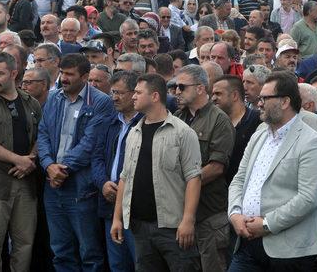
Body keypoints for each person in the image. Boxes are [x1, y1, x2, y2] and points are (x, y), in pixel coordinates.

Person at [227, 71, 317, 270]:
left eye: (265, 98)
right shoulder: (259, 136)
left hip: (289, 251)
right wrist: (235, 214)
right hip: (247, 243)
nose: (259, 103)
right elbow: (239, 179)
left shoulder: (311, 141)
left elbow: (309, 198)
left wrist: (266, 224)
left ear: (285, 102)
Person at [110, 73, 202, 271]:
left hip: (172, 226)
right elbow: (125, 178)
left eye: (138, 92)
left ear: (154, 96)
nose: (133, 96)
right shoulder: (134, 133)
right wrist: (117, 218)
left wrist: (188, 220)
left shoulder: (183, 132)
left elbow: (194, 178)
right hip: (140, 226)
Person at [37, 53, 115, 270]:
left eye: (70, 74)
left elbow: (91, 144)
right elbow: (42, 134)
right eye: (62, 73)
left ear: (85, 76)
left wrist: (62, 169)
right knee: (60, 251)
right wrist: (48, 165)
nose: (64, 78)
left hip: (80, 188)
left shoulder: (101, 102)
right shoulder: (54, 97)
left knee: (89, 252)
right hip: (52, 186)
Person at [0, 52, 42, 271]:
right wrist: (18, 160)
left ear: (13, 74)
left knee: (24, 246)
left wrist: (29, 160)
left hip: (25, 184)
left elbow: (42, 136)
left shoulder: (31, 102)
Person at [174, 65, 234, 271]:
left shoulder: (219, 120)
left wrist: (181, 184)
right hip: (179, 212)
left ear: (200, 88)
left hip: (209, 213)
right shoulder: (177, 118)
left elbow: (216, 167)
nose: (176, 92)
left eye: (182, 87)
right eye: (175, 87)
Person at [91, 71, 141, 271]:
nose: (114, 97)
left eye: (120, 93)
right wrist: (102, 183)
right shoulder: (109, 121)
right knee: (117, 265)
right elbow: (97, 158)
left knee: (139, 262)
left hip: (134, 207)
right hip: (109, 202)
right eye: (112, 92)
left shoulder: (146, 123)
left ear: (134, 93)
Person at [210, 75, 261, 184]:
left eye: (218, 94)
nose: (213, 98)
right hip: (219, 193)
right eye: (212, 94)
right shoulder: (214, 123)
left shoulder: (258, 121)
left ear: (234, 95)